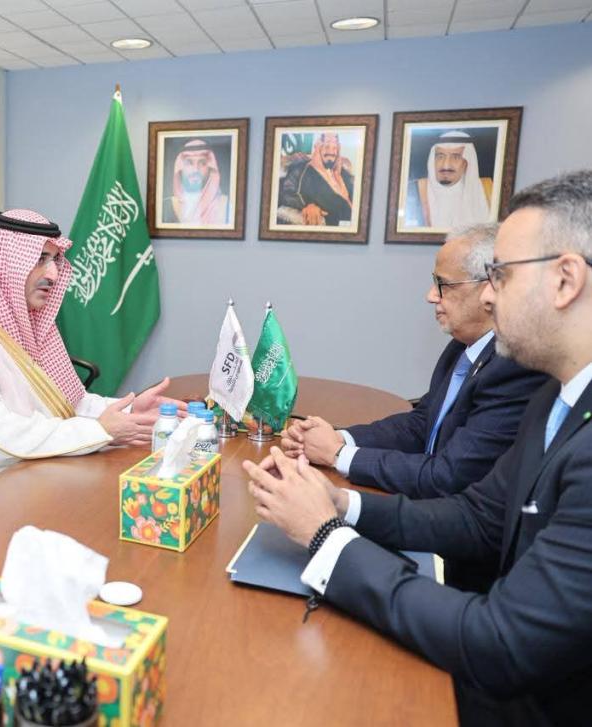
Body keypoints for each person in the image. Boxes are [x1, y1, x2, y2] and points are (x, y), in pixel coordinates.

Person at [244, 169, 592, 725]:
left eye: (500, 274)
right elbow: (479, 516)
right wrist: (342, 505)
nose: (489, 294)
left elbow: (500, 642)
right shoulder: (558, 393)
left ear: (565, 280)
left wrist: (326, 538)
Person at [0, 209, 182, 481]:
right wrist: (100, 431)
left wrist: (129, 411)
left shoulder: (30, 321)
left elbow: (69, 404)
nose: (53, 274)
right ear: (7, 263)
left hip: (37, 468)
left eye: (54, 260)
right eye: (40, 259)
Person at [282, 224, 547, 499]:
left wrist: (338, 454)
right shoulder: (461, 346)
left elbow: (447, 476)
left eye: (443, 284)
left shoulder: (514, 367)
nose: (430, 295)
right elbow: (421, 424)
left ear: (490, 286)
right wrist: (341, 438)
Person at [404, 130, 493, 229]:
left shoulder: (489, 190)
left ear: (467, 162)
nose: (446, 165)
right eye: (440, 156)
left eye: (456, 157)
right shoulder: (413, 191)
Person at [277, 132, 354, 227]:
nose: (331, 152)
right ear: (318, 147)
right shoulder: (302, 169)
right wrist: (308, 205)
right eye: (327, 147)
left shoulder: (343, 174)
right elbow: (288, 192)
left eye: (334, 148)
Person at [162, 139, 231, 225]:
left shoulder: (226, 206)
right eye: (189, 163)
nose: (195, 170)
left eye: (202, 163)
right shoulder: (165, 206)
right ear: (180, 167)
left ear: (211, 168)